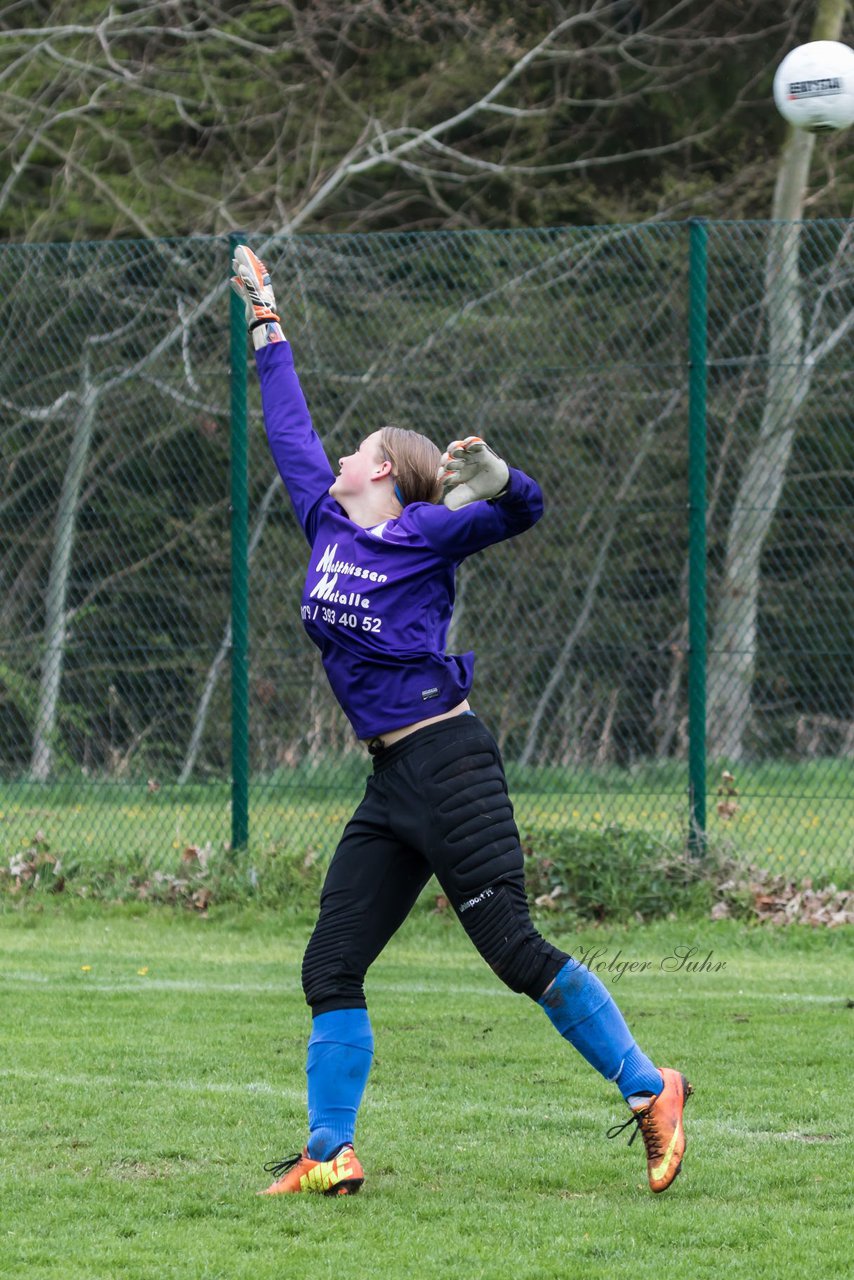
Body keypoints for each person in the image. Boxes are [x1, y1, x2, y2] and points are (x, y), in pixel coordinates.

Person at [230, 246, 693, 1199]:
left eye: (361, 449)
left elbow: (524, 511)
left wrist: (495, 473)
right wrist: (264, 318)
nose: (343, 454)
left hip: (449, 766)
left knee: (516, 953)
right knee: (332, 960)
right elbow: (286, 429)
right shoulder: (328, 524)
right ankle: (330, 1153)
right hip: (392, 783)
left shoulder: (425, 531)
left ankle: (653, 1090)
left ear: (391, 477)